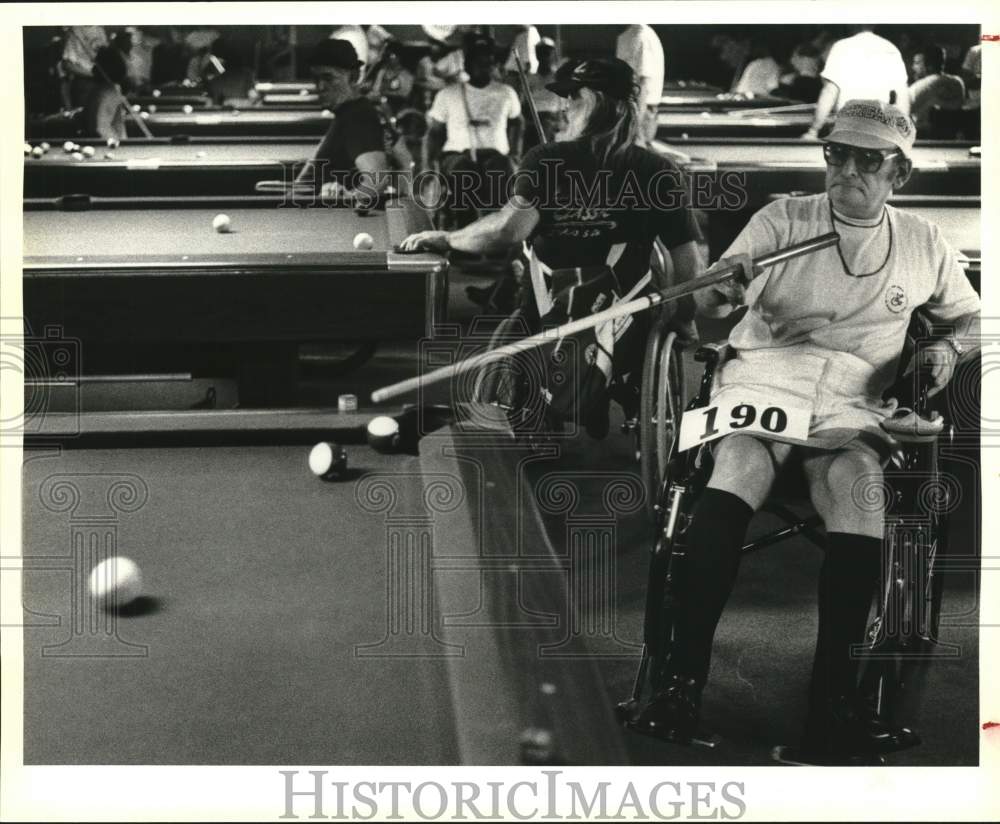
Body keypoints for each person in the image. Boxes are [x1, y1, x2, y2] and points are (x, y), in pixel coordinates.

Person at [636, 99, 981, 764]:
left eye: (867, 160)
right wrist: (719, 285)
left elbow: (969, 318)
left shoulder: (922, 241)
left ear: (898, 175)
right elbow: (710, 299)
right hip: (764, 377)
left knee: (860, 490)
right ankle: (678, 685)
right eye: (837, 154)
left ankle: (835, 704)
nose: (848, 170)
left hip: (854, 396)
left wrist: (946, 350)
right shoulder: (782, 218)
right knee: (737, 465)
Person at [399, 58, 704, 435]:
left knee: (527, 289)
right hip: (628, 322)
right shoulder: (658, 171)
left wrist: (447, 239)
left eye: (573, 97)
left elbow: (507, 231)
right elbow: (688, 264)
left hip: (544, 316)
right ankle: (597, 389)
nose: (563, 107)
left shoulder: (545, 160)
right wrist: (686, 318)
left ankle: (543, 402)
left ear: (594, 100)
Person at [424, 34, 523, 228]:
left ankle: (495, 236)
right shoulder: (448, 94)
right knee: (463, 173)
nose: (483, 66)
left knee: (501, 171)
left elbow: (518, 123)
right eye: (478, 62)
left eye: (487, 62)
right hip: (457, 156)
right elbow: (434, 133)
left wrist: (515, 153)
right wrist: (429, 165)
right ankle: (464, 232)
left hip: (495, 156)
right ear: (467, 65)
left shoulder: (506, 93)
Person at [294, 39, 398, 204]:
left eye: (328, 78)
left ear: (354, 77)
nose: (320, 86)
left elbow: (378, 179)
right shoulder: (352, 111)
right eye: (316, 78)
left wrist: (347, 199)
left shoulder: (356, 116)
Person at [803, 26, 909, 139]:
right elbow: (903, 96)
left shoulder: (841, 47)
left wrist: (813, 131)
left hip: (848, 128)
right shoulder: (891, 48)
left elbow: (830, 91)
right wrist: (902, 136)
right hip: (879, 131)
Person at [615, 24, 665, 143]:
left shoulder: (641, 36)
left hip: (641, 111)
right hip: (629, 110)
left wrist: (636, 122)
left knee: (640, 155)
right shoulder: (626, 36)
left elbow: (643, 83)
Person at [908, 44, 965, 132]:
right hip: (953, 136)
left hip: (925, 137)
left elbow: (902, 109)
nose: (913, 67)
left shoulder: (925, 84)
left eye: (917, 63)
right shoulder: (958, 81)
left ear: (929, 66)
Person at [84, 45, 128, 142]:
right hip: (107, 147)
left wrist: (125, 143)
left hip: (113, 144)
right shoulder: (108, 93)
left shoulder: (109, 88)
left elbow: (118, 124)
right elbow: (101, 129)